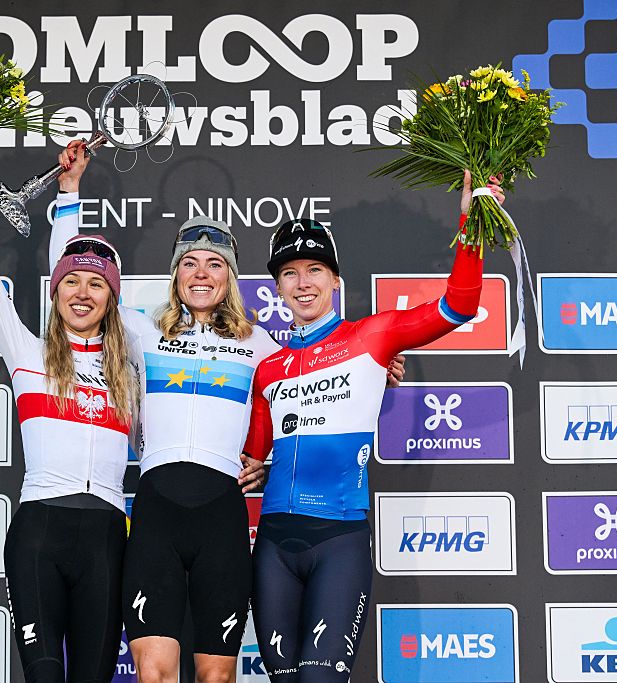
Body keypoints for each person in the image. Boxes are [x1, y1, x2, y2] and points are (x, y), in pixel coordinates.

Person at [50, 140, 405, 682]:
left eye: (214, 263)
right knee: (154, 672)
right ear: (175, 275)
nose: (200, 273)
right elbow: (75, 276)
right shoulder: (142, 331)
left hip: (221, 514)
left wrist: (378, 365)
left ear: (230, 276)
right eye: (188, 263)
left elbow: (327, 379)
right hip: (155, 512)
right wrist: (70, 193)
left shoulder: (262, 345)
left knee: (218, 677)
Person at [241, 172, 504, 681]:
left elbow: (460, 305)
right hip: (273, 545)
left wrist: (473, 221)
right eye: (290, 273)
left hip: (337, 542)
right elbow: (253, 457)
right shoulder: (267, 366)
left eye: (315, 269)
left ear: (336, 280)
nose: (303, 283)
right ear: (276, 287)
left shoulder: (373, 337)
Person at [0, 145, 138, 683]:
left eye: (97, 284)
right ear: (55, 291)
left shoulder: (133, 370)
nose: (82, 292)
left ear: (113, 299)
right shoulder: (27, 354)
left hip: (108, 537)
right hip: (39, 532)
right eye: (70, 281)